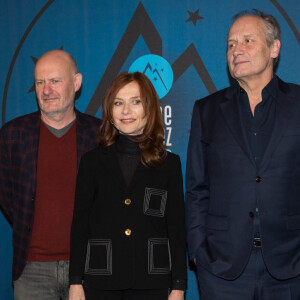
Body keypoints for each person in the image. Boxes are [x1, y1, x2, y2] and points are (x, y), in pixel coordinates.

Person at [186, 9, 300, 300]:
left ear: (274, 48)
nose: (236, 50)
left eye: (248, 40)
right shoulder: (207, 110)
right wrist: (199, 251)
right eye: (231, 44)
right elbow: (197, 189)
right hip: (222, 269)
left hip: (291, 265)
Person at [69, 72, 187, 300]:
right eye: (118, 103)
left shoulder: (169, 164)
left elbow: (176, 229)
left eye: (136, 102)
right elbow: (80, 225)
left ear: (150, 108)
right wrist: (75, 281)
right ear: (109, 111)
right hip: (101, 281)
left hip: (153, 282)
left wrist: (179, 286)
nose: (126, 111)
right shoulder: (91, 162)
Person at [0, 49, 101, 300]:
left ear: (76, 83)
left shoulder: (101, 135)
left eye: (55, 81)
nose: (46, 90)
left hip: (89, 267)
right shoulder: (13, 135)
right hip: (31, 270)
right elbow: (9, 198)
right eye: (39, 82)